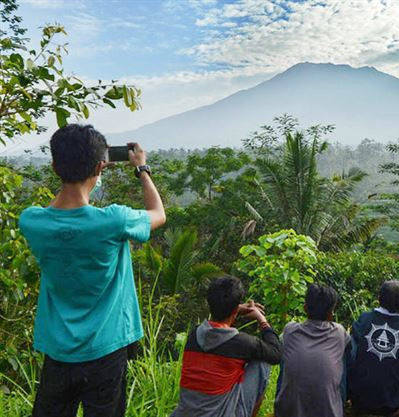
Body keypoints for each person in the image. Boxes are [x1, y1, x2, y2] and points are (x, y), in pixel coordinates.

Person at [19, 124, 166, 417]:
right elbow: (159, 214)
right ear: (101, 166)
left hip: (58, 350)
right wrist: (142, 169)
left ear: (54, 166)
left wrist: (84, 173)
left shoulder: (32, 222)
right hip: (106, 350)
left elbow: (57, 213)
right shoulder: (114, 221)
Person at [171, 275, 282, 417]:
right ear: (235, 310)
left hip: (185, 413)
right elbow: (276, 353)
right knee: (263, 361)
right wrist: (262, 320)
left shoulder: (194, 335)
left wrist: (237, 308)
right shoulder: (242, 343)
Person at [274, 284, 350, 417]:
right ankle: (342, 402)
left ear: (305, 308)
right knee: (341, 357)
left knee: (287, 357)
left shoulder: (289, 330)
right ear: (331, 314)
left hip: (287, 412)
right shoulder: (339, 332)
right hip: (329, 413)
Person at [348, 280, 399, 417]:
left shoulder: (364, 320)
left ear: (379, 299)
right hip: (394, 404)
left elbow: (351, 356)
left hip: (361, 403)